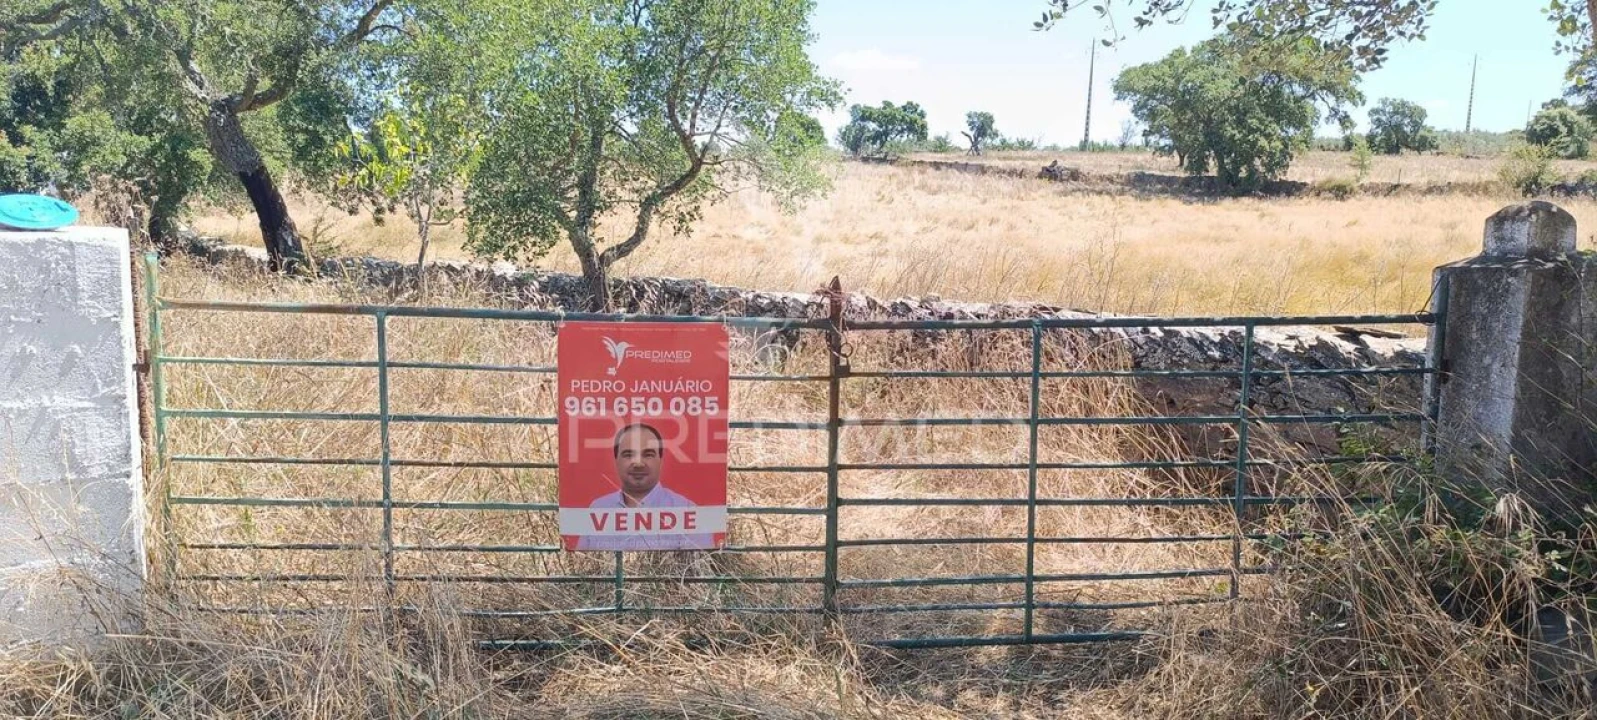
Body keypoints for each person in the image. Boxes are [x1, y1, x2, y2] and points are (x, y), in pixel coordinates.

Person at [574, 423, 716, 551]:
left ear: (661, 460)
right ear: (616, 460)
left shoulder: (688, 510)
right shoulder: (598, 508)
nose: (638, 463)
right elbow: (583, 566)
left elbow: (700, 572)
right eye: (628, 454)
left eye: (648, 454)